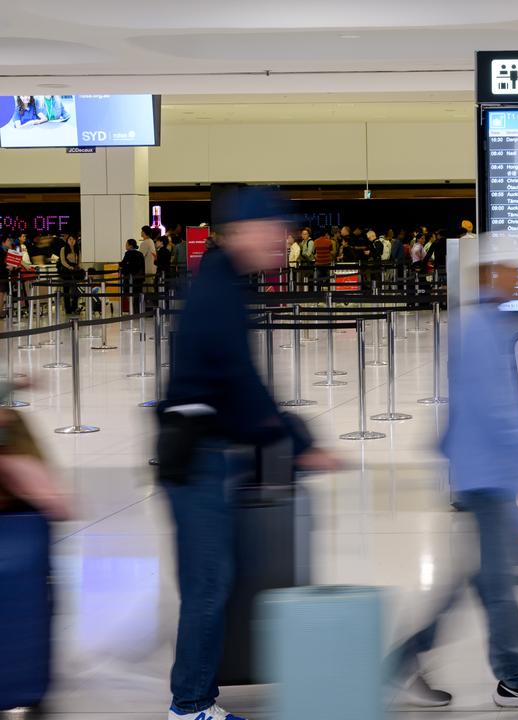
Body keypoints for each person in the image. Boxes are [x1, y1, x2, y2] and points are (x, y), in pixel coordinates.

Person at [158, 187, 341, 720]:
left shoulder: (223, 281)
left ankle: (196, 697)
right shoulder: (219, 290)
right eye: (274, 229)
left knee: (214, 580)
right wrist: (296, 441)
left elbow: (241, 386)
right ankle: (190, 705)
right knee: (208, 584)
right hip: (197, 458)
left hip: (208, 453)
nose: (284, 240)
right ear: (244, 230)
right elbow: (241, 384)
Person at [385, 235, 518, 711]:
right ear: (492, 272)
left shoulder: (490, 322)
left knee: (482, 580)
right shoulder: (482, 327)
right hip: (487, 475)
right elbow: (496, 408)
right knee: (497, 584)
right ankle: (514, 678)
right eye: (516, 273)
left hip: (485, 472)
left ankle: (402, 663)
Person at [57, 234, 81, 316]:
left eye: (73, 239)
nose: (71, 241)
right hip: (66, 271)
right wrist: (69, 267)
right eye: (70, 239)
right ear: (67, 240)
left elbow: (79, 261)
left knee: (75, 290)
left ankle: (75, 307)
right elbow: (63, 261)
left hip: (75, 271)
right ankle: (68, 309)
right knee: (66, 290)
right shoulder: (63, 249)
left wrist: (77, 267)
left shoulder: (77, 249)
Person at [120, 239, 145, 313]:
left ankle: (132, 311)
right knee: (138, 295)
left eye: (126, 244)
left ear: (130, 245)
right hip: (139, 278)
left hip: (129, 278)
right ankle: (138, 310)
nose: (125, 245)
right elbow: (143, 266)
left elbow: (123, 264)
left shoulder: (128, 253)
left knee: (129, 294)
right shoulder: (140, 254)